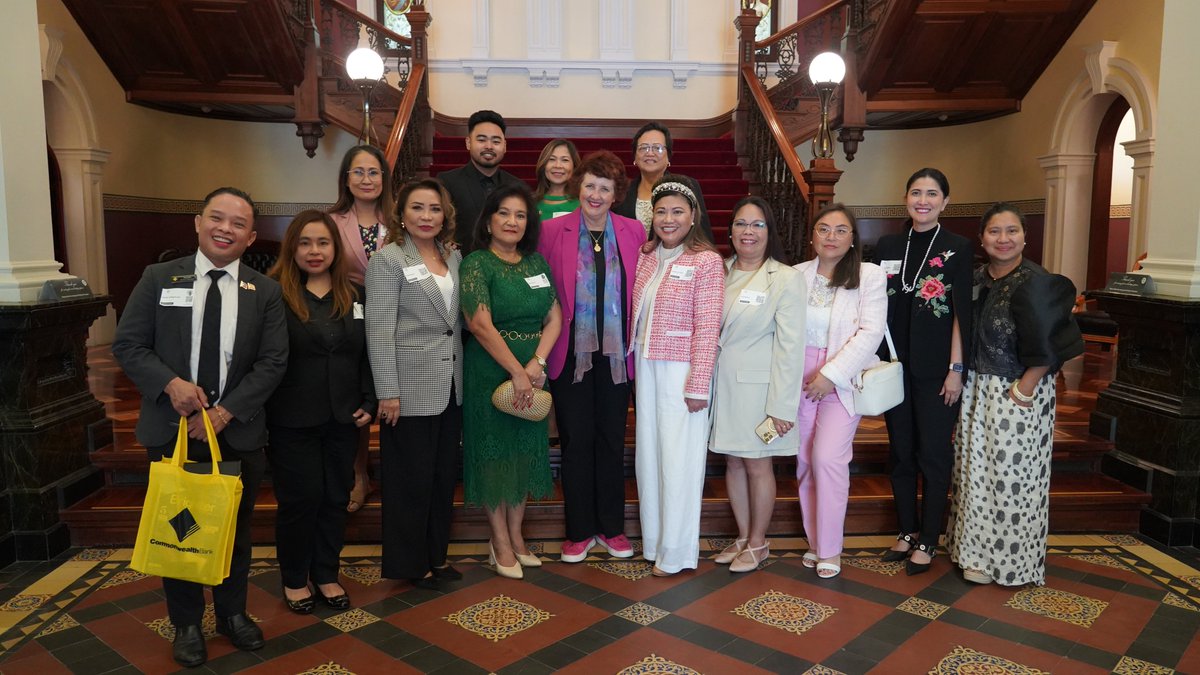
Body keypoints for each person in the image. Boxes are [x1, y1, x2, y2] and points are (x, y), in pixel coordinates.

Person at [112, 187, 287, 668]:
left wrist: (223, 412)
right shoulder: (158, 278)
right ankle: (186, 622)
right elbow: (128, 345)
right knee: (180, 529)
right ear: (197, 222)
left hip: (237, 431)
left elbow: (273, 362)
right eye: (217, 217)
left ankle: (232, 614)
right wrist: (170, 385)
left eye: (238, 223)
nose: (225, 229)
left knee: (235, 530)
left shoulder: (265, 291)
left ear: (250, 236)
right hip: (172, 430)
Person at [947, 202, 1082, 586]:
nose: (1003, 239)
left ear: (1025, 237)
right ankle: (973, 554)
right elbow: (961, 325)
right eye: (994, 231)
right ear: (982, 238)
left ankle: (1009, 562)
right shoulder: (977, 277)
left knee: (1011, 479)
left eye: (1012, 231)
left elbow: (1054, 344)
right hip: (977, 386)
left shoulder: (1037, 281)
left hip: (1017, 389)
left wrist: (1024, 390)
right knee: (975, 474)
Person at [538, 151, 646, 563]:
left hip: (618, 357)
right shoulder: (553, 231)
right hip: (570, 355)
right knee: (576, 441)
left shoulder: (634, 231)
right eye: (589, 186)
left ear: (616, 194)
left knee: (612, 440)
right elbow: (544, 292)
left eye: (605, 188)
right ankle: (579, 531)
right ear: (577, 188)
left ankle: (612, 529)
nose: (596, 195)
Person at [265, 210, 375, 613]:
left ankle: (326, 573)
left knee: (334, 497)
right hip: (291, 418)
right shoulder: (274, 294)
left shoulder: (355, 294)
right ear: (292, 248)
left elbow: (366, 352)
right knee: (300, 499)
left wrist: (369, 399)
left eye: (323, 242)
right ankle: (295, 578)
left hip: (343, 417)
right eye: (306, 242)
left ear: (335, 248)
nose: (315, 251)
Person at [366, 179, 465, 589]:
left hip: (451, 385)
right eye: (417, 208)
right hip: (407, 390)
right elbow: (378, 330)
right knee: (410, 482)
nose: (426, 216)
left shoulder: (453, 255)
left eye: (434, 209)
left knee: (441, 479)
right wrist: (387, 391)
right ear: (402, 215)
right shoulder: (387, 260)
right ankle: (411, 564)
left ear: (445, 215)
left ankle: (436, 556)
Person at [460, 184, 563, 578]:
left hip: (534, 371)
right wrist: (517, 372)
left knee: (523, 452)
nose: (512, 221)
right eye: (504, 213)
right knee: (494, 456)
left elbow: (554, 318)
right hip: (490, 369)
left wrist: (537, 363)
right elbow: (479, 323)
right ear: (488, 221)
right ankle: (499, 542)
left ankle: (517, 537)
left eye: (520, 215)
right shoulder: (477, 263)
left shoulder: (536, 263)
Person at [875, 168, 974, 576]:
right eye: (916, 192)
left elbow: (961, 314)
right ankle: (906, 530)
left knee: (933, 455)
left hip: (937, 371)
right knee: (901, 452)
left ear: (945, 202)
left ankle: (930, 538)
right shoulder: (887, 245)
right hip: (893, 366)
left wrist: (956, 369)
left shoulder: (958, 248)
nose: (923, 200)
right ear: (906, 198)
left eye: (932, 194)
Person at [630, 177, 724, 576]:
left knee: (679, 460)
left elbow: (708, 326)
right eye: (661, 211)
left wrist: (698, 384)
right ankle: (655, 542)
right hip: (647, 365)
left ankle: (677, 552)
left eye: (677, 212)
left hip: (682, 370)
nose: (668, 219)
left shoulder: (706, 261)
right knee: (649, 456)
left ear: (693, 216)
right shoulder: (647, 255)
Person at [709, 196, 806, 573]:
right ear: (730, 230)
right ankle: (743, 535)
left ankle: (759, 541)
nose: (748, 231)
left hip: (760, 391)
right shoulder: (718, 270)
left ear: (769, 231)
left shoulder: (785, 278)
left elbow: (790, 348)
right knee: (733, 461)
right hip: (722, 386)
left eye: (757, 224)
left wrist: (782, 406)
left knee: (757, 465)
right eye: (741, 223)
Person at [792, 204, 888, 579]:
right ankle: (815, 541)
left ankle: (831, 548)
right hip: (798, 377)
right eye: (824, 229)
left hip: (841, 377)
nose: (831, 236)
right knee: (804, 458)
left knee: (827, 458)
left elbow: (871, 332)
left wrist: (830, 375)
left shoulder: (869, 275)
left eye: (840, 230)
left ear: (853, 239)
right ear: (812, 236)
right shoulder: (796, 274)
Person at [328, 144, 392, 513]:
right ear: (346, 179)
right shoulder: (331, 222)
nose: (367, 179)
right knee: (357, 397)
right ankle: (358, 474)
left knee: (389, 392)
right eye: (359, 172)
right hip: (348, 315)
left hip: (396, 317)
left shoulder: (400, 218)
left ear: (384, 178)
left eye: (373, 172)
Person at [438, 110, 523, 253]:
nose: (489, 146)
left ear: (504, 146)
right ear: (468, 143)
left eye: (496, 141)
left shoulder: (516, 186)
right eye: (482, 140)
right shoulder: (447, 182)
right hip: (462, 262)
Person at [613, 122, 713, 240]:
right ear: (635, 156)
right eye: (643, 148)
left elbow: (703, 235)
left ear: (668, 156)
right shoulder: (622, 190)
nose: (650, 153)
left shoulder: (687, 186)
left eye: (657, 148)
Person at [533, 139, 582, 222]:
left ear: (574, 166)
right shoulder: (529, 204)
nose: (558, 165)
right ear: (543, 165)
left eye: (565, 160)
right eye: (552, 159)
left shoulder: (583, 205)